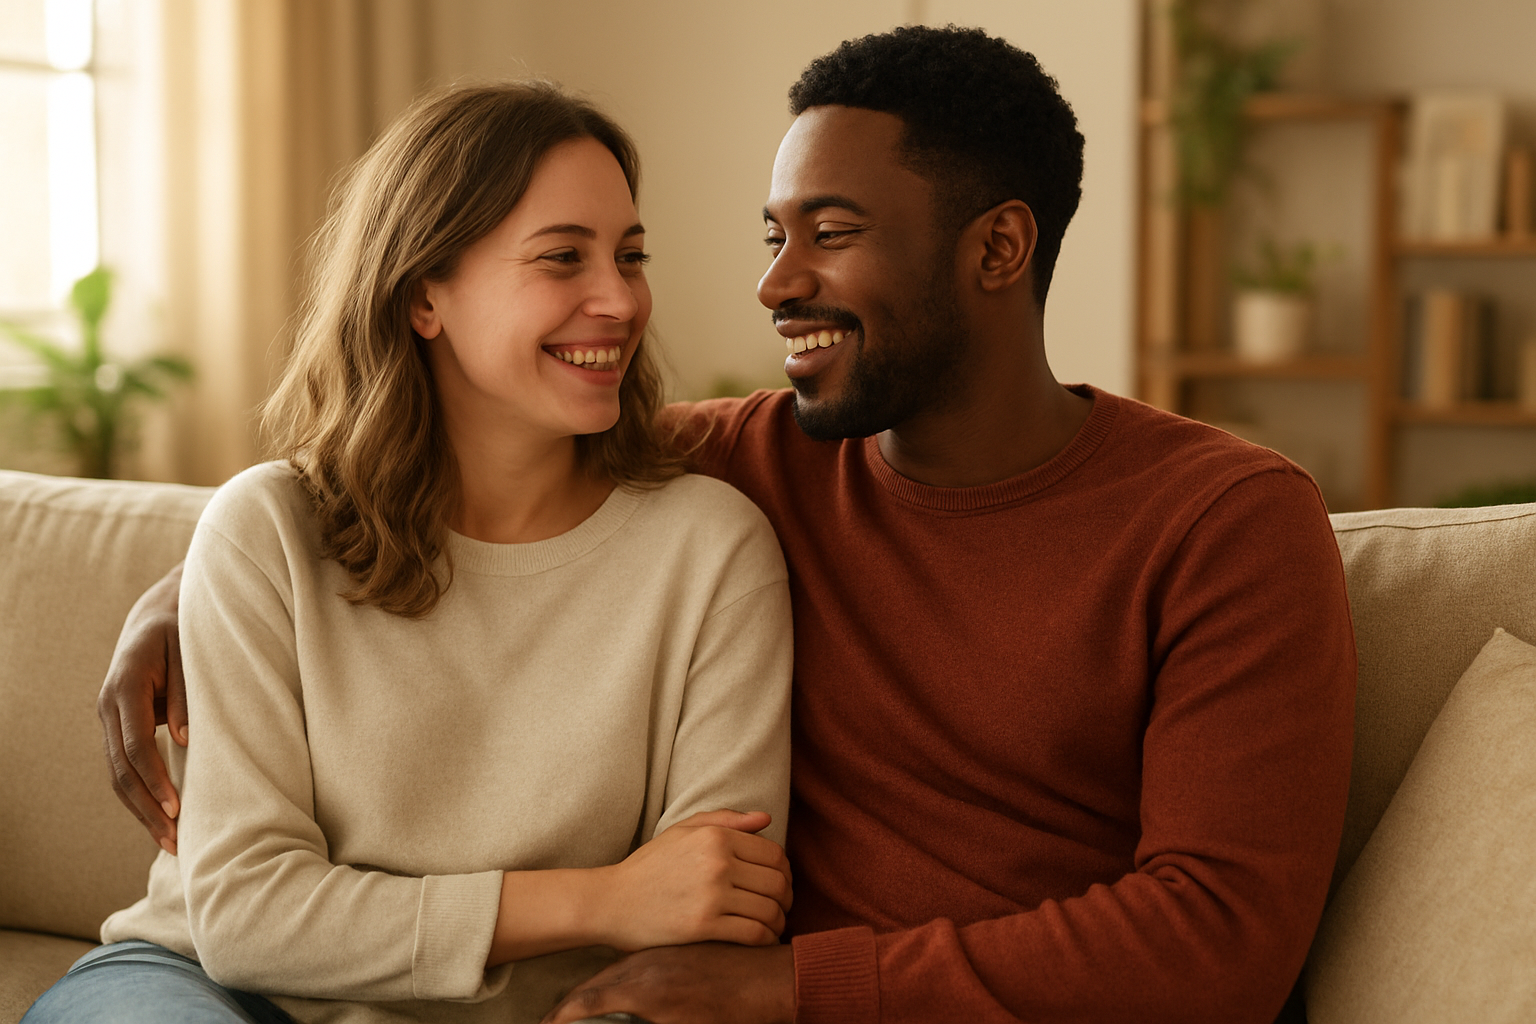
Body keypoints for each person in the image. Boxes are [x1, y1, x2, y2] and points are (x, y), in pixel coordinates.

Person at [98, 26, 1356, 1024]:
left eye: (833, 233)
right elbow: (450, 476)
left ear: (1000, 248)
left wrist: (795, 987)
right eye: (773, 236)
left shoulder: (1226, 522)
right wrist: (184, 588)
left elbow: (1218, 944)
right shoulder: (756, 458)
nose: (774, 282)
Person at [34, 82, 795, 1024]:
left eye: (630, 256)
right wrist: (602, 899)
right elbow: (243, 916)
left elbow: (710, 904)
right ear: (424, 295)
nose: (620, 299)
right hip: (210, 990)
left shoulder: (713, 551)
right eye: (563, 257)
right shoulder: (269, 529)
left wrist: (644, 907)